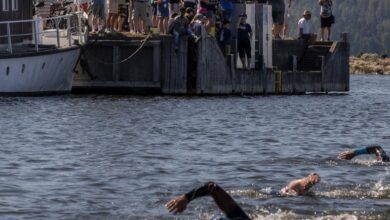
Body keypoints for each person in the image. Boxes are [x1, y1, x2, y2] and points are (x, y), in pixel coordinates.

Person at [166, 174, 320, 219]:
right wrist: (186, 198)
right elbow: (211, 187)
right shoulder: (240, 218)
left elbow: (211, 187)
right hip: (272, 192)